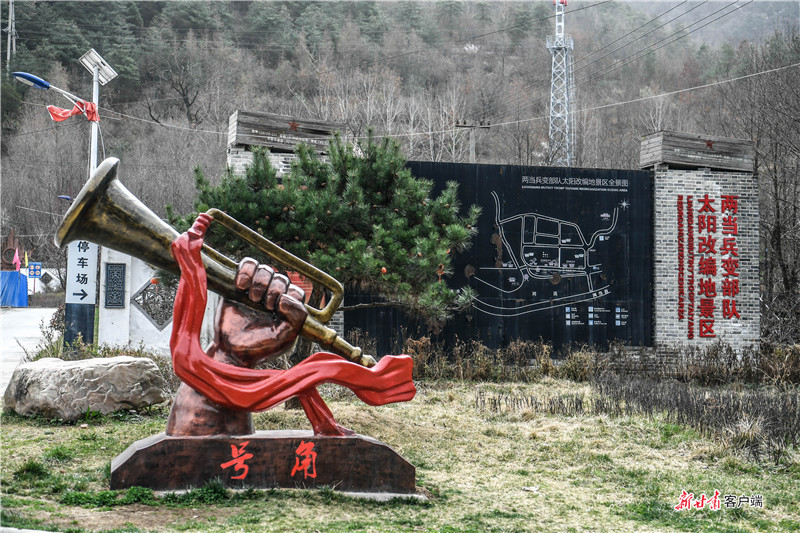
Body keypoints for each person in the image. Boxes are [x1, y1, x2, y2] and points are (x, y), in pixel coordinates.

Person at [166, 213, 415, 437]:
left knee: (314, 370)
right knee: (313, 370)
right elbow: (187, 359)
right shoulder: (190, 363)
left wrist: (234, 353)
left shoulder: (189, 361)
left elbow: (185, 354)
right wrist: (228, 351)